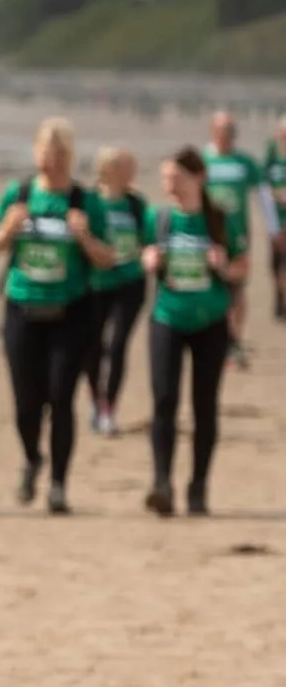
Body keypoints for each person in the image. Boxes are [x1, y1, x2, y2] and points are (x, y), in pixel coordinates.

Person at [0, 118, 113, 514]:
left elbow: (108, 258)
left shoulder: (83, 200)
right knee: (27, 401)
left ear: (69, 158)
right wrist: (8, 228)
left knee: (61, 398)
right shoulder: (20, 194)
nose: (50, 162)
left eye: (58, 155)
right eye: (44, 153)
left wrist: (84, 237)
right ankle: (31, 458)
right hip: (22, 307)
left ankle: (58, 484)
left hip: (70, 311)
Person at [141, 146, 251, 516]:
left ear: (199, 177)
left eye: (178, 178)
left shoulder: (220, 219)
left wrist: (223, 266)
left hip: (210, 322)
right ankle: (162, 484)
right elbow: (145, 255)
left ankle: (198, 486)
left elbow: (242, 268)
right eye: (167, 179)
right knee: (164, 401)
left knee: (204, 406)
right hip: (166, 318)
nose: (171, 186)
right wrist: (150, 260)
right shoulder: (158, 218)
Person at [84, 146, 150, 436]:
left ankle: (109, 406)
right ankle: (96, 400)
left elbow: (148, 239)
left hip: (130, 283)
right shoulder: (90, 203)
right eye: (127, 166)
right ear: (110, 170)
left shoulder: (136, 204)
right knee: (92, 347)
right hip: (96, 284)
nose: (133, 172)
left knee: (118, 343)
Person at [202, 111, 259, 366]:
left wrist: (273, 228)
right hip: (209, 235)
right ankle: (219, 339)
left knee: (237, 288)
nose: (226, 136)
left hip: (238, 235)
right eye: (221, 131)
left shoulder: (244, 162)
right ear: (213, 132)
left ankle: (234, 340)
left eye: (230, 131)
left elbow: (264, 196)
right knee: (215, 286)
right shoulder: (203, 160)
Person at [259, 112, 286, 323]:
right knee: (276, 262)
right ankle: (279, 297)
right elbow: (263, 185)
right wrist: (277, 194)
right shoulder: (272, 155)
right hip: (276, 217)